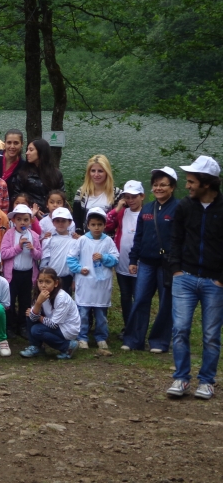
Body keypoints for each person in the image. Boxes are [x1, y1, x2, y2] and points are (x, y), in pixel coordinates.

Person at [167, 156, 223, 400]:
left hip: (215, 282)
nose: (187, 186)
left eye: (191, 181)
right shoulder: (184, 207)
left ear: (207, 184)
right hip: (185, 277)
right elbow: (175, 239)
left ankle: (207, 381)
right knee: (180, 329)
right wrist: (176, 269)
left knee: (211, 334)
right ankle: (181, 378)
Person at [122, 167, 178, 353]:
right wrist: (133, 260)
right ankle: (133, 340)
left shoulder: (178, 208)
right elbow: (139, 236)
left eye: (163, 185)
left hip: (167, 264)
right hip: (145, 262)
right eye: (155, 185)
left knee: (165, 303)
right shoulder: (147, 209)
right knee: (140, 300)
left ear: (172, 187)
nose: (158, 188)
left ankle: (160, 342)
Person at [67, 207, 119, 350]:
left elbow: (115, 259)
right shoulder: (82, 240)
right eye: (93, 225)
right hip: (85, 282)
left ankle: (101, 337)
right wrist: (79, 269)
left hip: (101, 284)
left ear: (104, 225)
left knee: (101, 313)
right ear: (88, 225)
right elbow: (71, 258)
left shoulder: (108, 241)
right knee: (83, 312)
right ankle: (82, 336)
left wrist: (104, 257)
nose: (96, 228)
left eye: (100, 225)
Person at [105, 180, 145, 337]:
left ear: (142, 196)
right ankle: (128, 325)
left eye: (134, 196)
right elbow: (107, 224)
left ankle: (138, 327)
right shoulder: (122, 212)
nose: (130, 200)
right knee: (125, 295)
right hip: (122, 262)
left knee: (139, 295)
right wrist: (117, 208)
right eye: (127, 197)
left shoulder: (146, 213)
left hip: (140, 263)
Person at [0, 204, 43, 338]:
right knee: (10, 301)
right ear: (14, 221)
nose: (22, 222)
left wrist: (32, 250)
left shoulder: (34, 236)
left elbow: (39, 256)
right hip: (12, 274)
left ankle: (23, 326)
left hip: (28, 273)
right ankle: (9, 327)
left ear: (30, 220)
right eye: (19, 219)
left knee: (25, 301)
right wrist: (18, 247)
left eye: (25, 219)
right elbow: (3, 253)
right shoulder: (9, 234)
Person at [19, 268, 80, 359]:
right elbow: (32, 317)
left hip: (67, 328)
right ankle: (35, 347)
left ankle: (67, 346)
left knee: (37, 330)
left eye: (48, 282)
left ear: (55, 283)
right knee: (30, 315)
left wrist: (39, 316)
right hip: (54, 323)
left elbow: (54, 324)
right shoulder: (39, 294)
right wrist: (38, 303)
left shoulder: (61, 298)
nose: (43, 285)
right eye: (40, 282)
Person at [8, 139, 65, 216]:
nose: (27, 153)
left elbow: (61, 195)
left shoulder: (56, 174)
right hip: (29, 215)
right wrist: (32, 209)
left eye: (31, 150)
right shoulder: (23, 174)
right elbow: (16, 197)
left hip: (53, 214)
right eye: (27, 150)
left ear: (41, 152)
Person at [72, 154, 121, 234]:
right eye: (93, 171)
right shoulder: (81, 192)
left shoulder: (116, 193)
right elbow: (76, 219)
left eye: (100, 171)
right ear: (89, 173)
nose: (96, 174)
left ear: (107, 172)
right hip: (86, 238)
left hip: (108, 238)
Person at [40, 207, 77, 293]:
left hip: (67, 278)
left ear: (70, 222)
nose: (60, 223)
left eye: (63, 221)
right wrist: (42, 276)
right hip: (50, 277)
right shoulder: (48, 240)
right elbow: (44, 260)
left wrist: (75, 279)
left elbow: (76, 261)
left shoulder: (74, 242)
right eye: (57, 221)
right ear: (53, 222)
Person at [0, 129, 25, 198]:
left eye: (16, 143)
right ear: (4, 143)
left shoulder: (24, 167)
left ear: (22, 144)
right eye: (9, 143)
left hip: (11, 206)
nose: (12, 146)